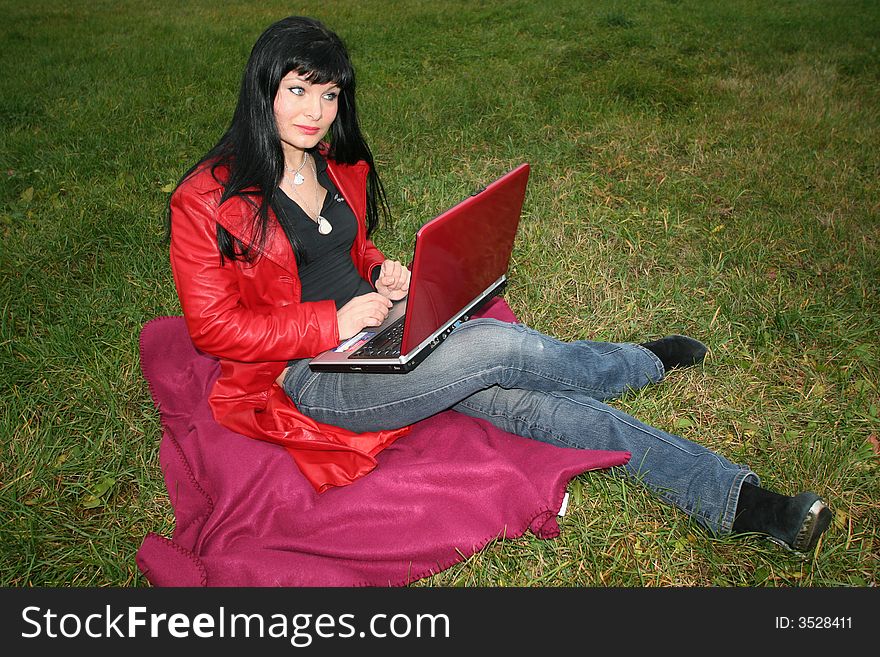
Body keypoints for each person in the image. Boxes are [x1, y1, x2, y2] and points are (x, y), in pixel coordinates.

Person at [167, 15, 832, 553]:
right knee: (494, 346)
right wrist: (333, 324)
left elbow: (344, 250)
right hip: (314, 374)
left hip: (386, 334)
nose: (316, 111)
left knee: (535, 409)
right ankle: (635, 360)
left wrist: (381, 273)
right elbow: (213, 328)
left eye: (329, 94)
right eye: (298, 90)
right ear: (264, 89)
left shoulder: (336, 165)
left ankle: (743, 502)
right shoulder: (205, 199)